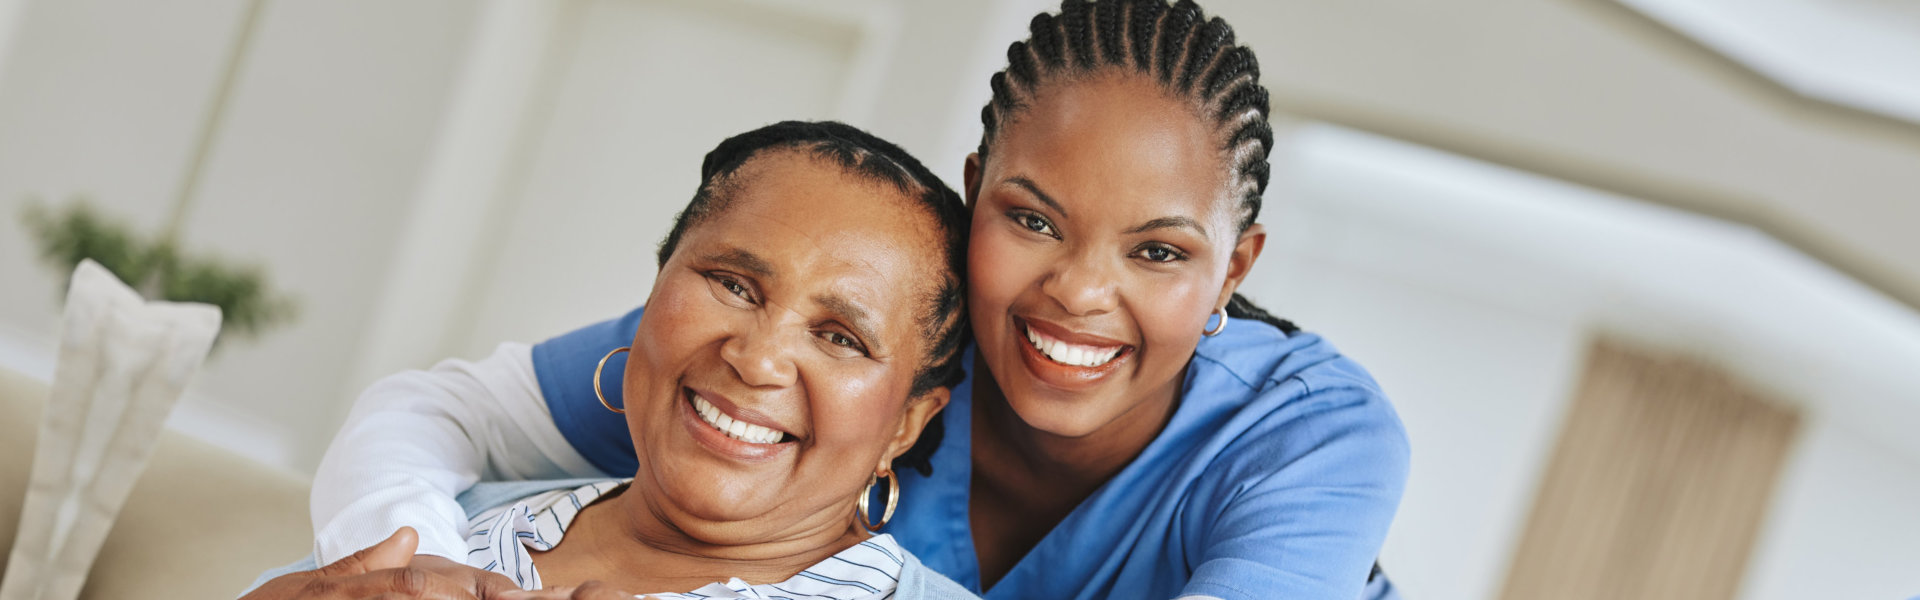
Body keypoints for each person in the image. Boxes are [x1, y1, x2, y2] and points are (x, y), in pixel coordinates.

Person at [311, 1, 1410, 599]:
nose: (1078, 292)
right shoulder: (834, 358)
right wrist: (404, 565)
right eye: (1032, 220)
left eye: (1159, 253)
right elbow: (439, 411)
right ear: (973, 195)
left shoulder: (1311, 436)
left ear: (1236, 270)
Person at [243, 121, 978, 599]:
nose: (758, 360)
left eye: (841, 337)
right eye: (733, 284)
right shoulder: (440, 522)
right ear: (656, 286)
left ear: (907, 422)